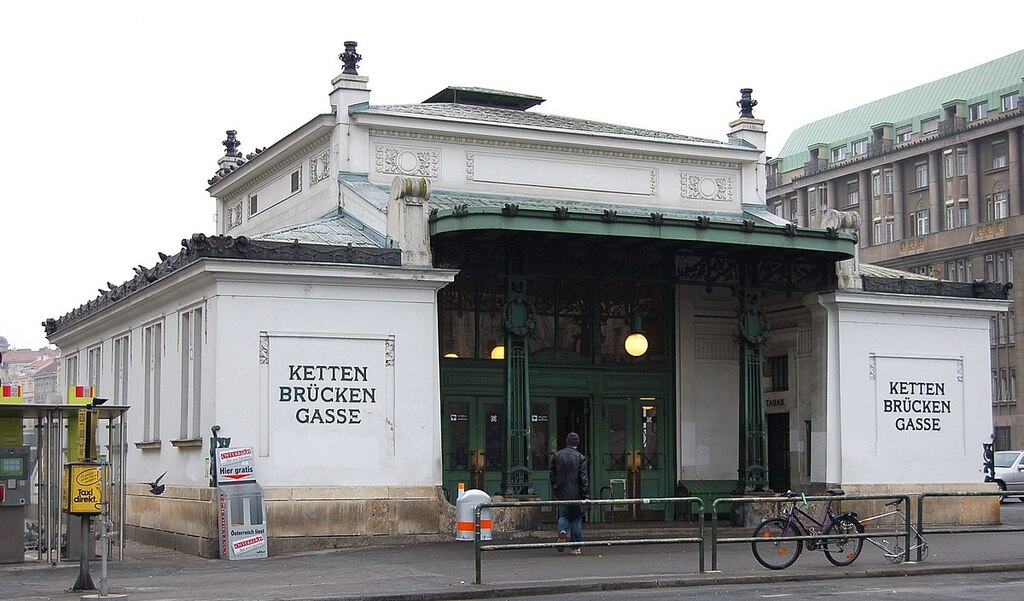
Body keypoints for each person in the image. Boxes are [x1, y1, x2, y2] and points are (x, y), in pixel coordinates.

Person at [550, 432, 589, 555]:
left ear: (566, 442)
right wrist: (585, 495)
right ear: (577, 444)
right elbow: (583, 478)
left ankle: (562, 531)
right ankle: (575, 547)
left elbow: (552, 474)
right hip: (576, 492)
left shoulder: (557, 456)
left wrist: (555, 487)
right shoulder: (580, 457)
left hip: (562, 492)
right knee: (577, 519)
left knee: (563, 516)